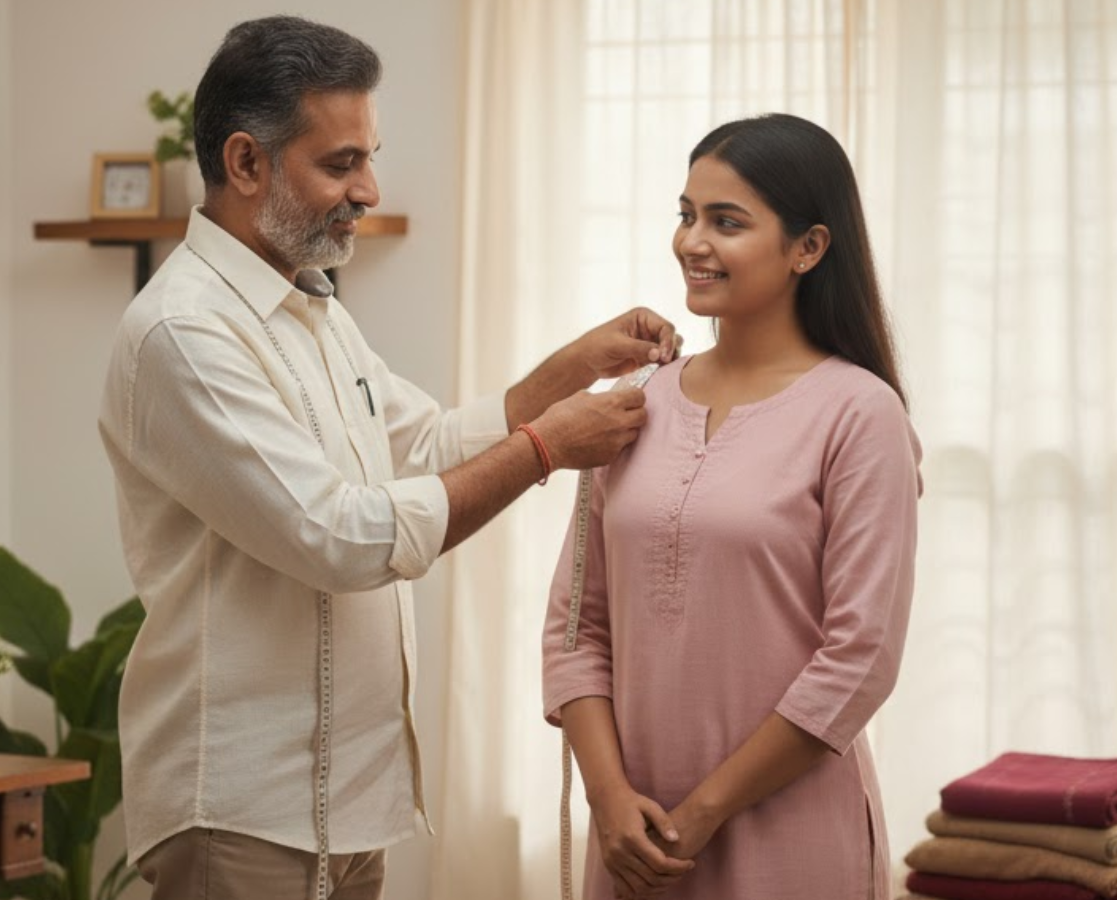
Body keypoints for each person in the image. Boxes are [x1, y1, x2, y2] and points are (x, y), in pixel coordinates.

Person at [97, 16, 681, 900]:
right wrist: (547, 448)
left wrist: (572, 368)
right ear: (247, 163)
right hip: (246, 812)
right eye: (340, 163)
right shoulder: (184, 332)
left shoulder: (313, 306)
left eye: (370, 156)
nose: (369, 188)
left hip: (349, 803)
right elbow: (341, 538)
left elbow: (426, 444)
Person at [542, 112, 923, 900]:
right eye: (686, 215)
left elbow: (860, 660)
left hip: (789, 839)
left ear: (808, 248)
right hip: (633, 845)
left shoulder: (861, 414)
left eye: (726, 221)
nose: (692, 241)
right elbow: (578, 627)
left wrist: (706, 811)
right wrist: (609, 801)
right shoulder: (633, 401)